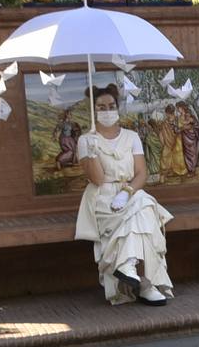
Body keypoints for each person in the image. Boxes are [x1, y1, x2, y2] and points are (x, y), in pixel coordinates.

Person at [74, 85, 174, 305]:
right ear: (93, 111)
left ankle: (132, 269)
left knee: (144, 206)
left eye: (111, 106)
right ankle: (146, 284)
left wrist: (127, 192)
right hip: (103, 197)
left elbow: (141, 173)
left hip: (130, 191)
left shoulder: (132, 136)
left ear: (117, 108)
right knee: (141, 216)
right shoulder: (85, 140)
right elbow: (98, 179)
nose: (107, 110)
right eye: (101, 107)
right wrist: (91, 153)